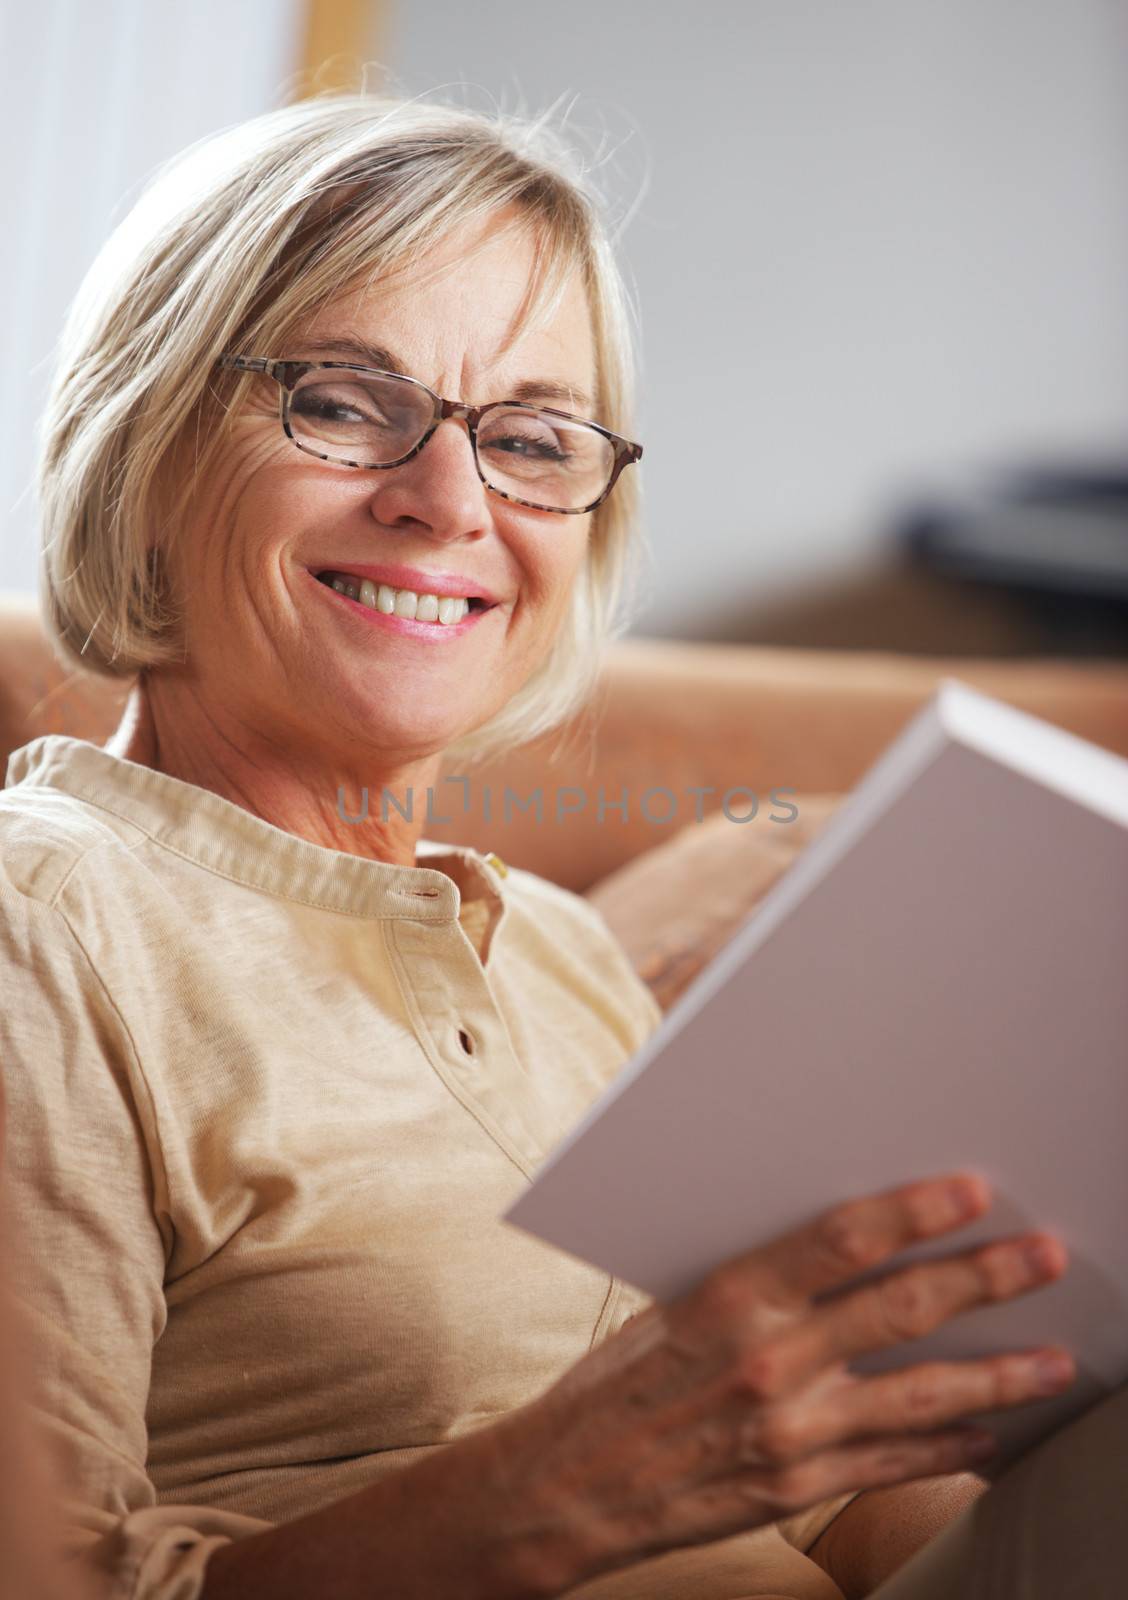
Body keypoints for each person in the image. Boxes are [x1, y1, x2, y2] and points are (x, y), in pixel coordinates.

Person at [0, 89, 1115, 1600]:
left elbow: (825, 1518)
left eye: (533, 438)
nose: (448, 500)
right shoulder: (47, 917)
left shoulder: (570, 960)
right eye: (339, 401)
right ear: (145, 438)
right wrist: (558, 1496)